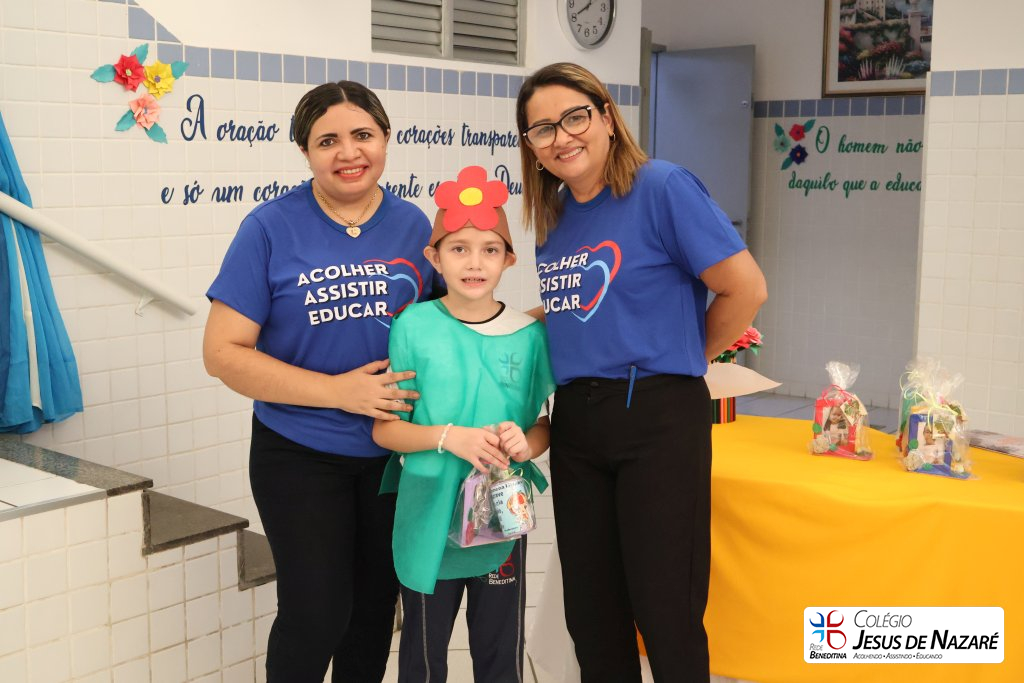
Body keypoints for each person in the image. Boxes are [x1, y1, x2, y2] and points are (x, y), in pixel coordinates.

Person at [515, 63, 768, 682]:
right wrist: (488, 325)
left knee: (665, 608)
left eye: (575, 117)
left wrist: (684, 358)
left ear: (607, 117)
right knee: (592, 612)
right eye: (542, 128)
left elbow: (745, 289)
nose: (561, 137)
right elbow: (583, 306)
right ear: (531, 145)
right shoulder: (555, 214)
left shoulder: (662, 187)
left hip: (657, 418)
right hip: (578, 423)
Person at [203, 81, 438, 683]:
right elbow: (222, 354)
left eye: (362, 135)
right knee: (316, 614)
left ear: (386, 138)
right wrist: (337, 392)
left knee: (373, 614)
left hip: (392, 456)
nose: (348, 152)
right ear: (305, 151)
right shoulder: (269, 227)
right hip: (298, 452)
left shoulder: (414, 226)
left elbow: (447, 327)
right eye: (327, 140)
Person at [373, 166, 555, 683]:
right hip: (429, 510)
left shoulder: (527, 335)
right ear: (434, 258)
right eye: (459, 249)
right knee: (422, 657)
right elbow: (385, 431)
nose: (475, 262)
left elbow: (544, 425)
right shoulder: (413, 326)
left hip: (500, 513)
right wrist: (448, 438)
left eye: (490, 250)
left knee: (500, 653)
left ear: (509, 259)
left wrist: (525, 445)